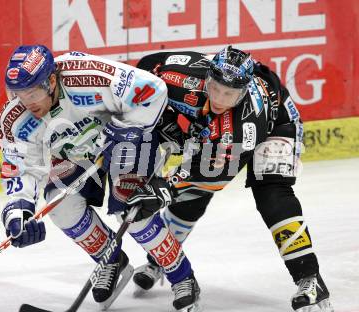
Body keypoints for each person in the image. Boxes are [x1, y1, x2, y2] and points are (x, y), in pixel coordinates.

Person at [127, 46, 334, 312]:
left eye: (231, 94)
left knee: (272, 194)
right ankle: (160, 262)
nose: (221, 98)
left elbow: (213, 177)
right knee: (190, 198)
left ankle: (310, 278)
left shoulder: (245, 124)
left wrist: (166, 187)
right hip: (213, 131)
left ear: (244, 92)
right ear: (208, 77)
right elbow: (145, 67)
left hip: (278, 123)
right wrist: (163, 117)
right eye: (216, 88)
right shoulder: (183, 74)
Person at [0, 45, 200, 311]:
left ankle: (182, 277)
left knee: (132, 211)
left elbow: (154, 89)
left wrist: (124, 130)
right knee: (59, 205)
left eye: (32, 92)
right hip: (79, 153)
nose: (26, 102)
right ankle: (110, 259)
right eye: (19, 94)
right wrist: (18, 212)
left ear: (50, 81)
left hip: (128, 140)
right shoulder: (15, 119)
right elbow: (20, 167)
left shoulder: (88, 76)